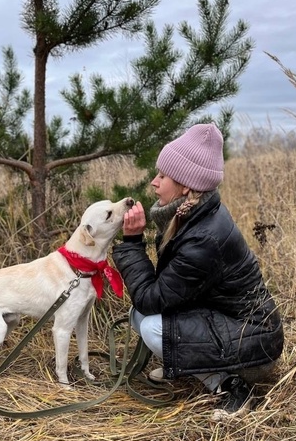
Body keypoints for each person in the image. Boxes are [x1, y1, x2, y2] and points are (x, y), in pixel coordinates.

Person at [112, 123, 284, 419]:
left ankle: (232, 387)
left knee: (152, 326)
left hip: (254, 344)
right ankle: (189, 365)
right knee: (139, 317)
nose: (154, 182)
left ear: (186, 187)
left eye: (162, 176)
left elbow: (151, 298)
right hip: (233, 326)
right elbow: (164, 295)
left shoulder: (204, 238)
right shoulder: (191, 214)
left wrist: (131, 243)